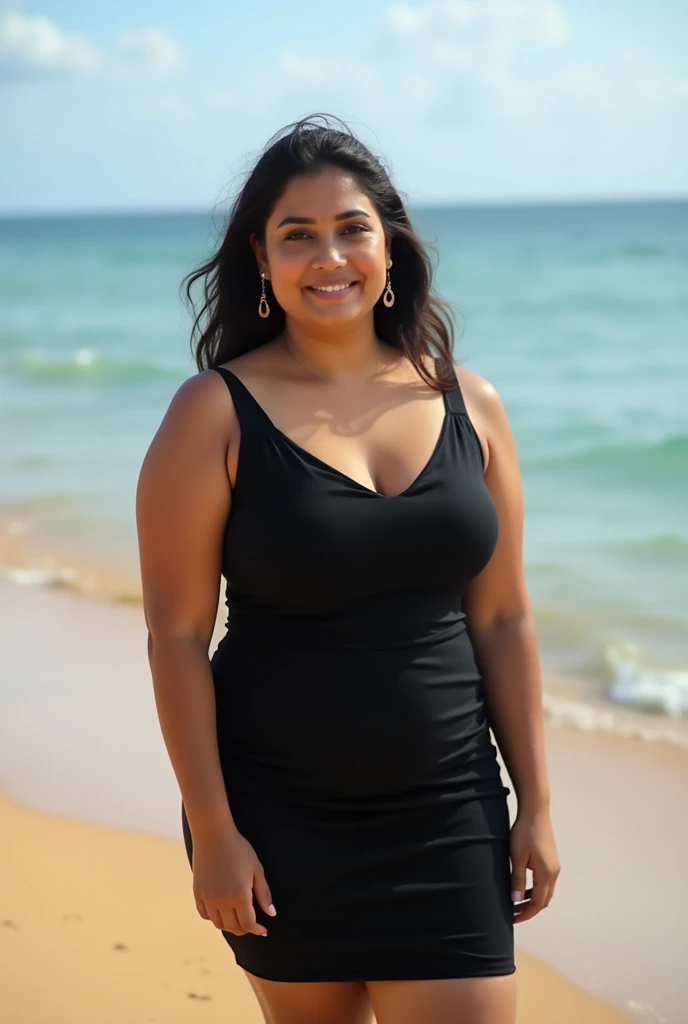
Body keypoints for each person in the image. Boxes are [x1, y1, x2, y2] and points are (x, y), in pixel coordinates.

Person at [135, 113, 561, 1024]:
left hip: (451, 810)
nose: (329, 256)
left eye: (352, 228)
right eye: (298, 234)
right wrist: (214, 831)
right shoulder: (210, 415)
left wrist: (537, 804)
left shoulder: (469, 403)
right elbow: (175, 636)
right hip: (277, 822)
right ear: (261, 257)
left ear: (390, 246)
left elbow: (504, 619)